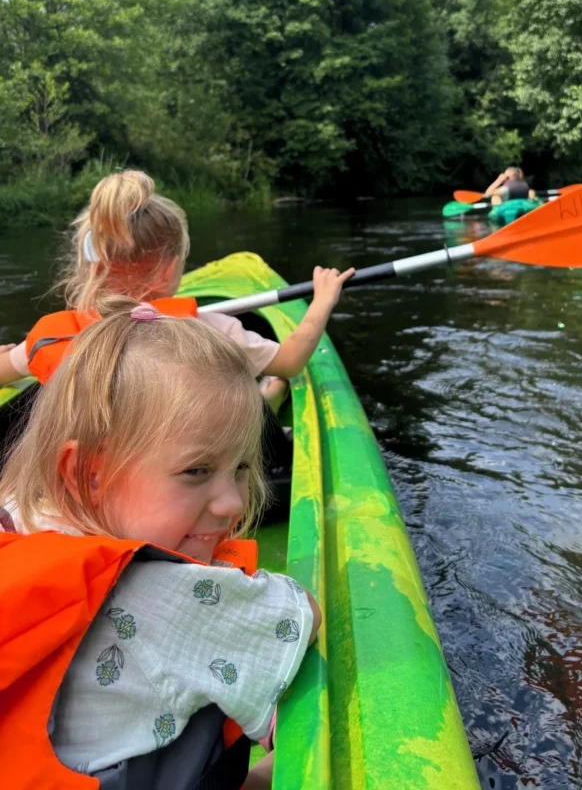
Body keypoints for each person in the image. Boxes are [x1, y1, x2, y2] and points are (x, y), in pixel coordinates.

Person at [0, 300, 321, 788]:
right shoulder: (157, 593)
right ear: (86, 474)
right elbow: (304, 615)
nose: (233, 502)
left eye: (240, 467)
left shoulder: (17, 519)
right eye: (197, 471)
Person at [0, 170, 353, 390]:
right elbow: (290, 361)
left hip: (92, 488)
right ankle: (270, 392)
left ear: (93, 264)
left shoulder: (48, 337)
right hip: (173, 489)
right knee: (257, 390)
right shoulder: (211, 331)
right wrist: (322, 301)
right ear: (170, 270)